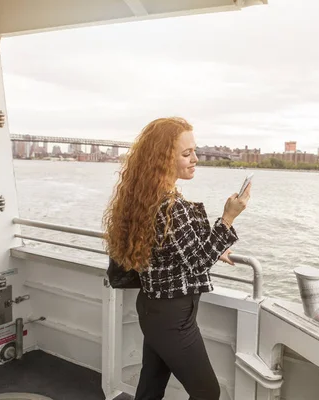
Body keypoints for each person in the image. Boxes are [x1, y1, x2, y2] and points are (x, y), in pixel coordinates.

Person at [102, 117, 251, 400]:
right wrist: (228, 217)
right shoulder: (171, 206)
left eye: (194, 151)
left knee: (151, 386)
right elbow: (197, 264)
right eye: (187, 154)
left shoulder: (148, 198)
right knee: (207, 392)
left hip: (154, 308)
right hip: (173, 318)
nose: (196, 159)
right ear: (163, 158)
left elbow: (174, 248)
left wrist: (216, 245)